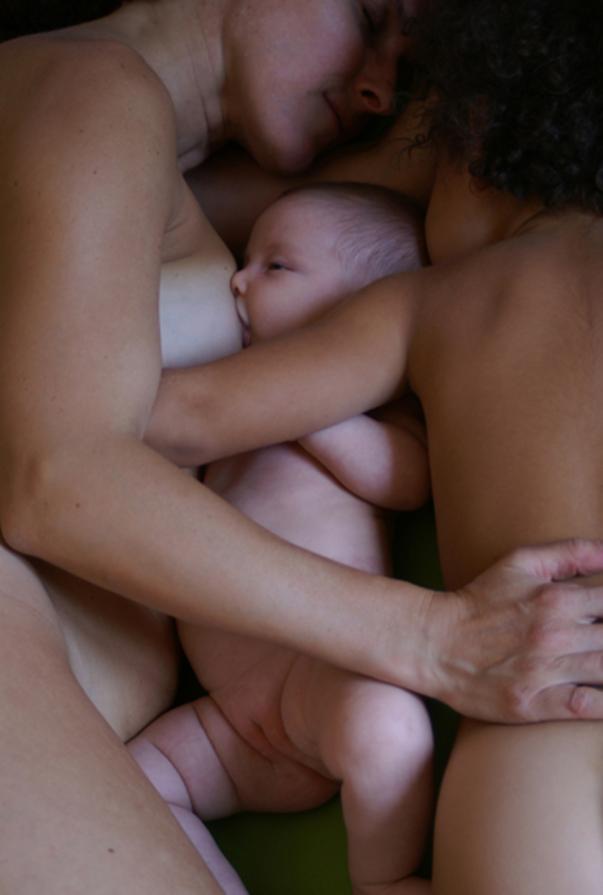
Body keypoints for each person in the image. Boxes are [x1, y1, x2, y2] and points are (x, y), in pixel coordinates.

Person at [1, 1, 603, 892]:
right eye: (368, 15)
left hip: (113, 716)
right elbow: (56, 475)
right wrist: (430, 635)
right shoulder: (94, 90)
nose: (381, 89)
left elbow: (403, 212)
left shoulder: (140, 152)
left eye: (419, 85)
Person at [131, 183, 432, 895]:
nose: (238, 279)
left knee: (388, 728)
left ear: (361, 309)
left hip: (323, 680)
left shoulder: (375, 411)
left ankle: (381, 880)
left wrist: (304, 407)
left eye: (276, 266)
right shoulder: (217, 403)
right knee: (125, 781)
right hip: (231, 720)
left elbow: (406, 479)